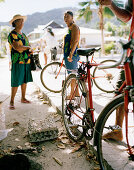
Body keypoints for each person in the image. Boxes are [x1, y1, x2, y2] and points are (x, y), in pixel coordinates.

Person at [98, 0, 134, 141]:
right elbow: (127, 16)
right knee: (121, 91)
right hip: (132, 51)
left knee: (122, 91)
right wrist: (110, 4)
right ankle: (117, 130)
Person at [8, 14, 33, 110]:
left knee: (24, 80)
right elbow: (17, 47)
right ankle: (11, 101)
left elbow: (28, 46)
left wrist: (30, 50)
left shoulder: (24, 35)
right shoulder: (12, 34)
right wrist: (28, 48)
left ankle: (23, 98)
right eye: (20, 21)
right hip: (18, 61)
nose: (22, 22)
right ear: (15, 23)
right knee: (15, 81)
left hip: (26, 60)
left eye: (23, 21)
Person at [63, 11, 80, 99]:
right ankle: (76, 93)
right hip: (69, 53)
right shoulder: (69, 27)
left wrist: (70, 54)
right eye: (65, 17)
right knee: (72, 73)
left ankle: (72, 94)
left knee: (72, 75)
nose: (65, 18)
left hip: (72, 54)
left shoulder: (74, 27)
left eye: (68, 16)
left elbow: (75, 41)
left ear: (72, 18)